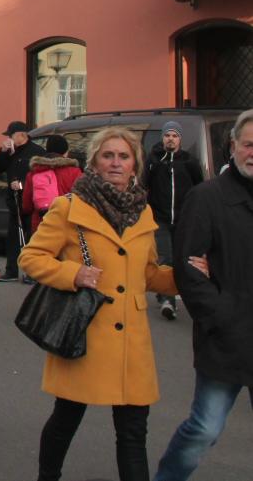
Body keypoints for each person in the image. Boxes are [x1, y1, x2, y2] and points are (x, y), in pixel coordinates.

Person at [19, 127, 189, 481]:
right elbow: (31, 257)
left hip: (132, 343)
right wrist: (73, 274)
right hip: (85, 333)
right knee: (66, 418)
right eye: (107, 155)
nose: (115, 163)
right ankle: (47, 476)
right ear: (94, 162)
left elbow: (148, 274)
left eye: (123, 157)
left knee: (132, 433)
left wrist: (186, 276)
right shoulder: (70, 207)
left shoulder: (143, 213)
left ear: (135, 165)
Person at [154, 110, 253, 481]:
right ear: (233, 147)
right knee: (204, 429)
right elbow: (188, 271)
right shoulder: (207, 198)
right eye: (248, 144)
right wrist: (221, 315)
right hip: (225, 338)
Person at [143, 120, 203, 321]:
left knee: (183, 260)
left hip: (184, 220)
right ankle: (168, 300)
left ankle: (178, 294)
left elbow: (199, 189)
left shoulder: (189, 162)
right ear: (163, 138)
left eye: (174, 135)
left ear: (180, 139)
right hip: (160, 218)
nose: (171, 138)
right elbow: (143, 187)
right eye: (167, 135)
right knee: (165, 258)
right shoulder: (153, 160)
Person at [0, 120, 47, 282]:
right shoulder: (9, 151)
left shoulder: (37, 152)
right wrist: (2, 152)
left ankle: (32, 272)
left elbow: (41, 175)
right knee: (12, 238)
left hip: (31, 201)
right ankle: (11, 271)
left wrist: (22, 183)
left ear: (21, 135)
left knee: (32, 238)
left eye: (11, 135)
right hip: (14, 201)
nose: (9, 138)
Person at [21, 134, 82, 235]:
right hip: (67, 225)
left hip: (41, 225)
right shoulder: (74, 172)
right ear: (66, 152)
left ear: (47, 150)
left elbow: (27, 206)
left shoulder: (35, 172)